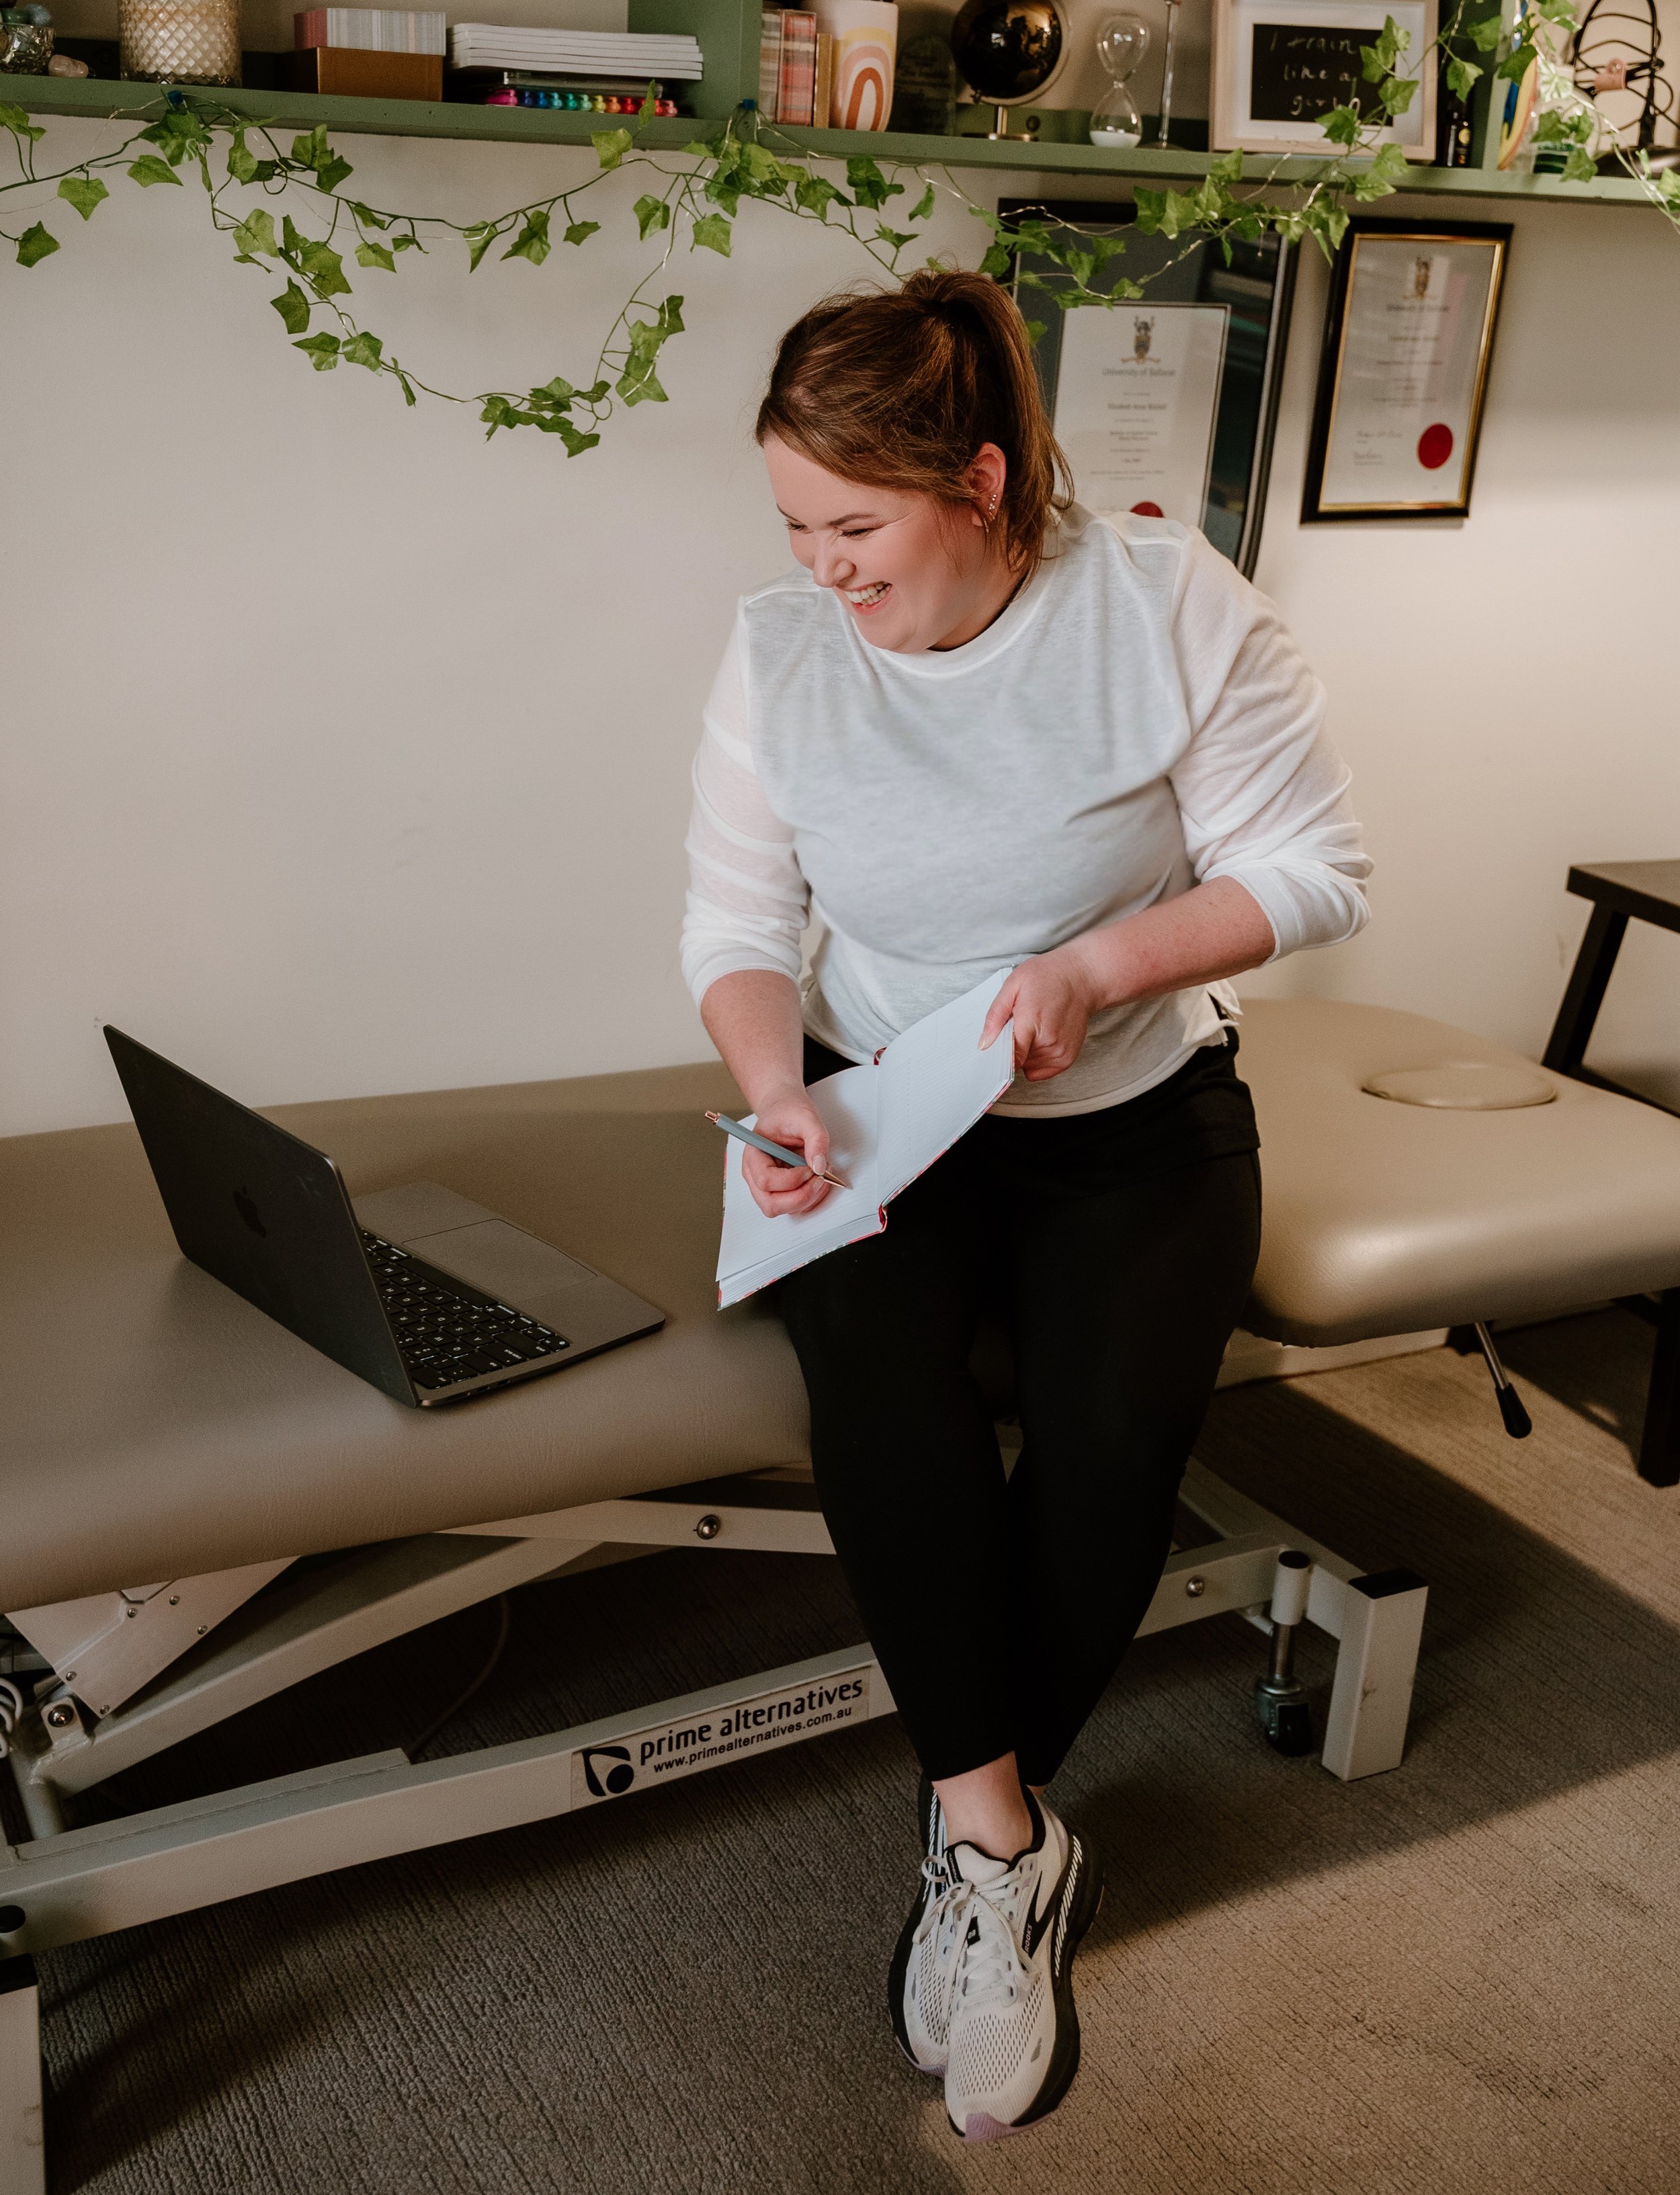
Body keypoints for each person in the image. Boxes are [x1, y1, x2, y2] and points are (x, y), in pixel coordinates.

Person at [679, 268, 1370, 2144]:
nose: (821, 565)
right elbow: (738, 928)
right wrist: (775, 1093)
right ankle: (996, 1845)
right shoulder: (779, 648)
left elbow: (1310, 871)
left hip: (1131, 1105)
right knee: (886, 1407)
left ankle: (973, 1801)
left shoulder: (1161, 609)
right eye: (793, 524)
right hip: (877, 1101)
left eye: (854, 524)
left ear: (978, 479)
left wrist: (1102, 964)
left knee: (1108, 1450)